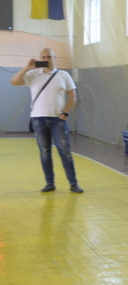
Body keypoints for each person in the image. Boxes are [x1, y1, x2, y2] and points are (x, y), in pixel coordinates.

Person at [10, 48, 83, 193]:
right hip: (38, 119)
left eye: (49, 56)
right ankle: (50, 183)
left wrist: (65, 113)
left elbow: (73, 96)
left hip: (58, 120)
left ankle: (73, 183)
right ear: (40, 58)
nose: (46, 59)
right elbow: (14, 81)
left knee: (65, 151)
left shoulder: (63, 75)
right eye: (43, 57)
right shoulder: (33, 74)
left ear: (54, 58)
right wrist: (27, 67)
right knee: (44, 152)